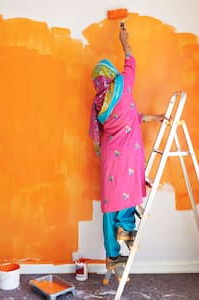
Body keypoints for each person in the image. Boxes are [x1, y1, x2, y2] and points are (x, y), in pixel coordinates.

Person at [89, 25, 165, 270]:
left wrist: (154, 118)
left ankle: (112, 255)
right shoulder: (122, 86)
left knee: (111, 206)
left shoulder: (100, 104)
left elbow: (131, 116)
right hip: (129, 158)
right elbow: (131, 61)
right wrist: (124, 41)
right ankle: (129, 240)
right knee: (128, 199)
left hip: (111, 159)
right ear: (110, 74)